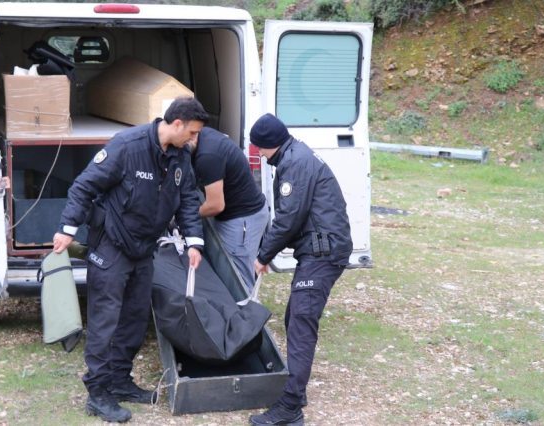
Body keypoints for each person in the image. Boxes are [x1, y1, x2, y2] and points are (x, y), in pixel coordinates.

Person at [52, 97, 209, 423]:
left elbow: (188, 199)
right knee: (104, 322)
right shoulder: (128, 146)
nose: (194, 140)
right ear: (176, 124)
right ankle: (97, 394)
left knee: (136, 319)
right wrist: (67, 228)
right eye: (192, 133)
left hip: (143, 249)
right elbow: (84, 186)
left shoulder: (180, 157)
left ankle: (120, 381)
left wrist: (194, 242)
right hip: (111, 246)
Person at [248, 114, 353, 426]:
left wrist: (263, 255)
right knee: (295, 316)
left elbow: (289, 217)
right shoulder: (296, 155)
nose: (260, 155)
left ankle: (291, 407)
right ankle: (297, 391)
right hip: (322, 248)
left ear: (268, 145)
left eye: (259, 149)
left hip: (322, 253)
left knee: (300, 324)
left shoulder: (294, 163)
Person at [187, 127, 268, 292]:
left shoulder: (207, 157)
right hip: (236, 215)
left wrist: (187, 216)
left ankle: (249, 315)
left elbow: (216, 205)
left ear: (191, 137)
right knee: (227, 272)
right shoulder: (202, 134)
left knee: (238, 280)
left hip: (242, 220)